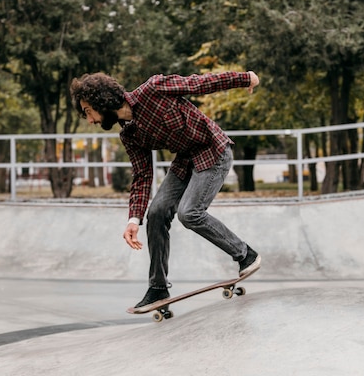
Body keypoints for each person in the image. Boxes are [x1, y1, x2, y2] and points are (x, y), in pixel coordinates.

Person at [70, 70, 261, 309]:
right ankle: (158, 287)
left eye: (88, 111)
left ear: (102, 102)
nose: (90, 120)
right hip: (185, 161)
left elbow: (200, 83)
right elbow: (142, 175)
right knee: (157, 213)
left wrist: (244, 78)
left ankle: (246, 254)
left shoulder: (154, 89)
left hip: (213, 151)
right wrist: (133, 219)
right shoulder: (129, 134)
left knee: (189, 213)